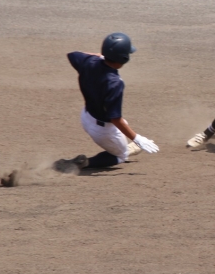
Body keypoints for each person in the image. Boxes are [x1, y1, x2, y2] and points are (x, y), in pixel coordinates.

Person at [54, 32, 159, 172]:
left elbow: (73, 54)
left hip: (86, 117)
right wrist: (137, 138)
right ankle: (84, 163)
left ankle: (119, 145)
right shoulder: (115, 83)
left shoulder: (89, 62)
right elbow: (115, 119)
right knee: (121, 155)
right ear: (123, 58)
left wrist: (98, 56)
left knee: (123, 125)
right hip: (103, 131)